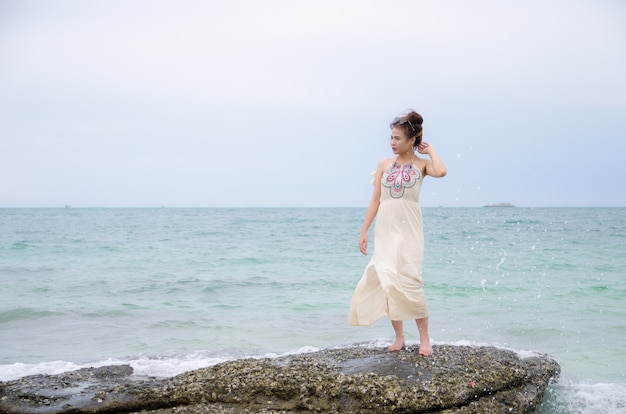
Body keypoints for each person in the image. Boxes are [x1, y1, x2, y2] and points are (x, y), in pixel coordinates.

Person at [348, 110, 447, 356]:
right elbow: (375, 200)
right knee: (388, 281)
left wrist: (431, 150)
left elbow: (442, 171)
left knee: (411, 281)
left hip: (410, 230)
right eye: (391, 138)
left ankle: (424, 339)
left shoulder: (422, 165)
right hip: (385, 229)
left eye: (398, 138)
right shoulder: (383, 165)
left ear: (411, 140)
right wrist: (364, 231)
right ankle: (400, 338)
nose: (393, 143)